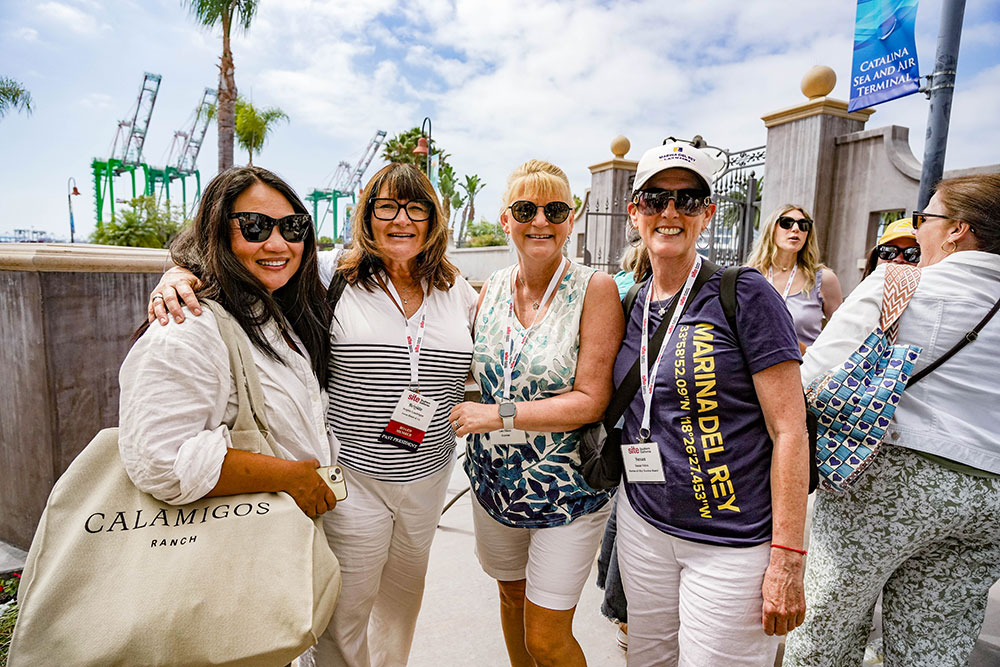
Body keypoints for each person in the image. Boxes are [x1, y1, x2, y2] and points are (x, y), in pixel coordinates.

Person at [148, 163, 479, 667]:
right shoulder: (331, 275)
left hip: (428, 476)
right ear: (366, 215)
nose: (401, 220)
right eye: (386, 207)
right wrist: (176, 274)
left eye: (417, 208)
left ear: (434, 219)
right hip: (352, 479)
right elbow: (245, 257)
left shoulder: (458, 291)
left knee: (402, 606)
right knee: (341, 614)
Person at [784, 174, 1000, 666]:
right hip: (991, 494)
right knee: (936, 641)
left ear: (957, 230)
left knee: (829, 624)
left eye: (925, 218)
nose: (918, 230)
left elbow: (812, 375)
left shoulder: (899, 282)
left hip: (892, 478)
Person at [613, 140, 809, 666]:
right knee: (646, 660)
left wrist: (788, 558)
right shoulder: (628, 302)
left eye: (688, 199)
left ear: (708, 213)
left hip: (732, 541)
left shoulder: (743, 293)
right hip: (645, 525)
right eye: (655, 199)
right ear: (634, 213)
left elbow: (790, 430)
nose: (670, 211)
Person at [448, 160, 624, 666]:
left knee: (546, 638)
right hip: (493, 483)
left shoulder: (595, 289)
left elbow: (590, 399)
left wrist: (498, 415)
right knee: (510, 597)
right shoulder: (490, 289)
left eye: (555, 210)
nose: (541, 221)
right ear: (506, 220)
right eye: (526, 210)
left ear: (572, 219)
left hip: (566, 491)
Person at [122, 166, 338, 527]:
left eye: (292, 227)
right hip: (244, 541)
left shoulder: (282, 314)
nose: (277, 244)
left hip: (293, 532)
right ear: (219, 232)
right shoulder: (187, 327)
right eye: (255, 226)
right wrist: (286, 476)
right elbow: (161, 461)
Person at [746, 204, 843, 351]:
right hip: (756, 363)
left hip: (804, 363)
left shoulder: (823, 279)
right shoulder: (749, 276)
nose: (796, 229)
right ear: (772, 229)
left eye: (803, 225)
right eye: (787, 223)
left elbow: (841, 333)